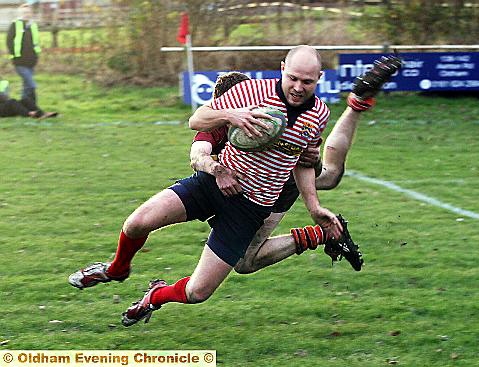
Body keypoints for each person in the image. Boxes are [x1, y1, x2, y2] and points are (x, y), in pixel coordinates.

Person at [69, 45, 347, 327]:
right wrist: (231, 116)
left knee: (198, 292)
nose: (298, 87)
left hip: (250, 209)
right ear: (282, 68)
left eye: (307, 82)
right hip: (212, 185)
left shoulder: (319, 115)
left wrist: (314, 207)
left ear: (319, 78)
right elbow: (196, 120)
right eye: (293, 78)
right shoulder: (250, 91)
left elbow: (302, 163)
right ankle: (116, 270)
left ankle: (155, 297)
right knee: (137, 223)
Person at [191, 53, 401, 275]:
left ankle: (322, 234)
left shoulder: (216, 126)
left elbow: (197, 155)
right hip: (279, 174)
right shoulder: (264, 110)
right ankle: (356, 105)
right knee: (330, 175)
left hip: (267, 187)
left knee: (244, 262)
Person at [6, 3, 41, 103]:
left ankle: (24, 106)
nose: (27, 14)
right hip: (19, 61)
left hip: (32, 61)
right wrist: (14, 55)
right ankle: (34, 106)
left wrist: (36, 56)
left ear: (31, 13)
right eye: (25, 12)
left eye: (29, 12)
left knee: (26, 85)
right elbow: (9, 41)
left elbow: (36, 42)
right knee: (31, 84)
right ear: (20, 14)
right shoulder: (15, 24)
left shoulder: (33, 25)